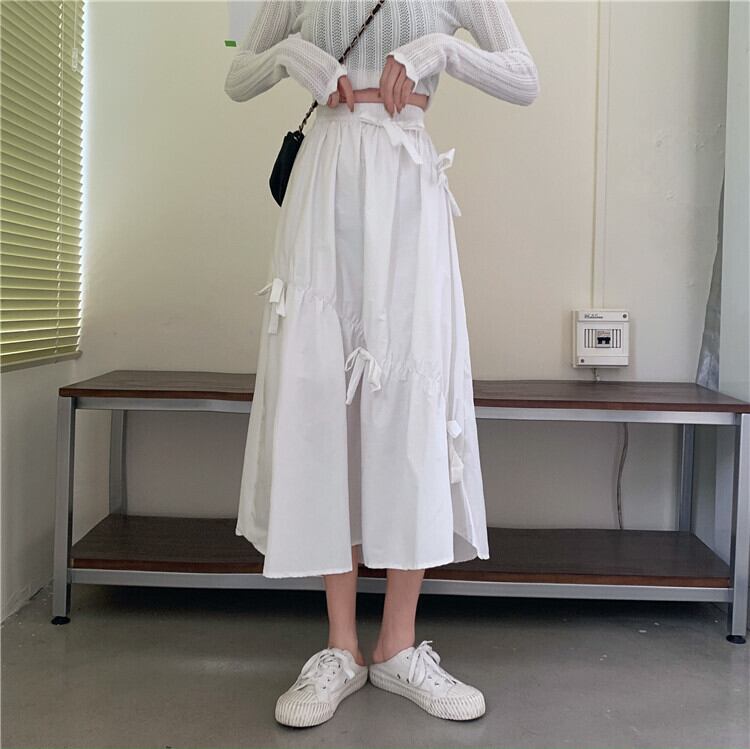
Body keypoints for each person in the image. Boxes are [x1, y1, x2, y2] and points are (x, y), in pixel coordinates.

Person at [224, 0, 539, 727]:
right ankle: (340, 644)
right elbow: (238, 75)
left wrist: (441, 51)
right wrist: (293, 58)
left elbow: (524, 77)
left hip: (407, 184)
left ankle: (397, 643)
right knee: (322, 392)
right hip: (326, 183)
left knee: (410, 392)